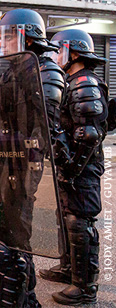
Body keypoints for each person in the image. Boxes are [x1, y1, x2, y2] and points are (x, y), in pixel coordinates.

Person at [0, 9, 66, 308]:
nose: (1, 43)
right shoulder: (8, 72)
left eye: (9, 36)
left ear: (28, 35)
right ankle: (16, 296)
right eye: (0, 37)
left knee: (15, 232)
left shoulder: (44, 72)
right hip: (5, 160)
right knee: (4, 230)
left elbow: (43, 132)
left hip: (25, 164)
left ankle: (21, 300)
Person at [44, 29, 108, 306]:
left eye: (60, 50)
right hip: (70, 164)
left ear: (75, 53)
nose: (56, 55)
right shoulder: (73, 81)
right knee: (67, 217)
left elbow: (90, 135)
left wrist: (72, 168)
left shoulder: (84, 83)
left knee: (80, 221)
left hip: (82, 166)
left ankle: (85, 287)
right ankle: (69, 269)